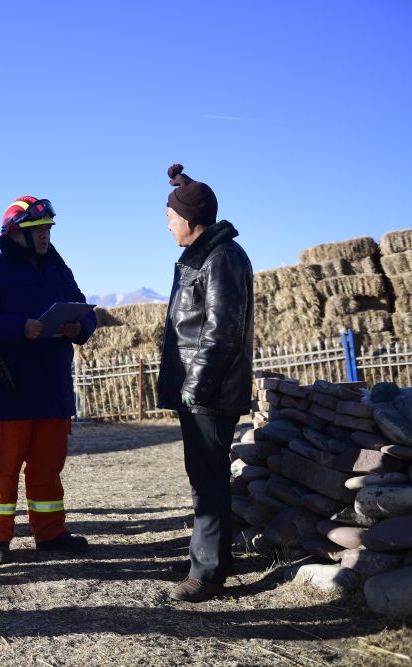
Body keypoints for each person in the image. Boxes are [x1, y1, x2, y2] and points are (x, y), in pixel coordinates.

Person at [0, 195, 97, 565]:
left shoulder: (58, 269)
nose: (44, 236)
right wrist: (20, 328)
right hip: (11, 388)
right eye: (36, 229)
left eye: (47, 230)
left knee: (48, 467)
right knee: (1, 469)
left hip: (52, 388)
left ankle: (50, 534)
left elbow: (86, 310)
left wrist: (78, 326)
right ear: (14, 233)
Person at [157, 163, 253, 603]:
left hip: (211, 392)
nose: (168, 222)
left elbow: (222, 330)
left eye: (171, 215)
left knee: (209, 478)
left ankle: (209, 573)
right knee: (202, 475)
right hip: (198, 388)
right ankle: (208, 556)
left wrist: (196, 384)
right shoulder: (201, 256)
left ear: (192, 218)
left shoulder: (223, 258)